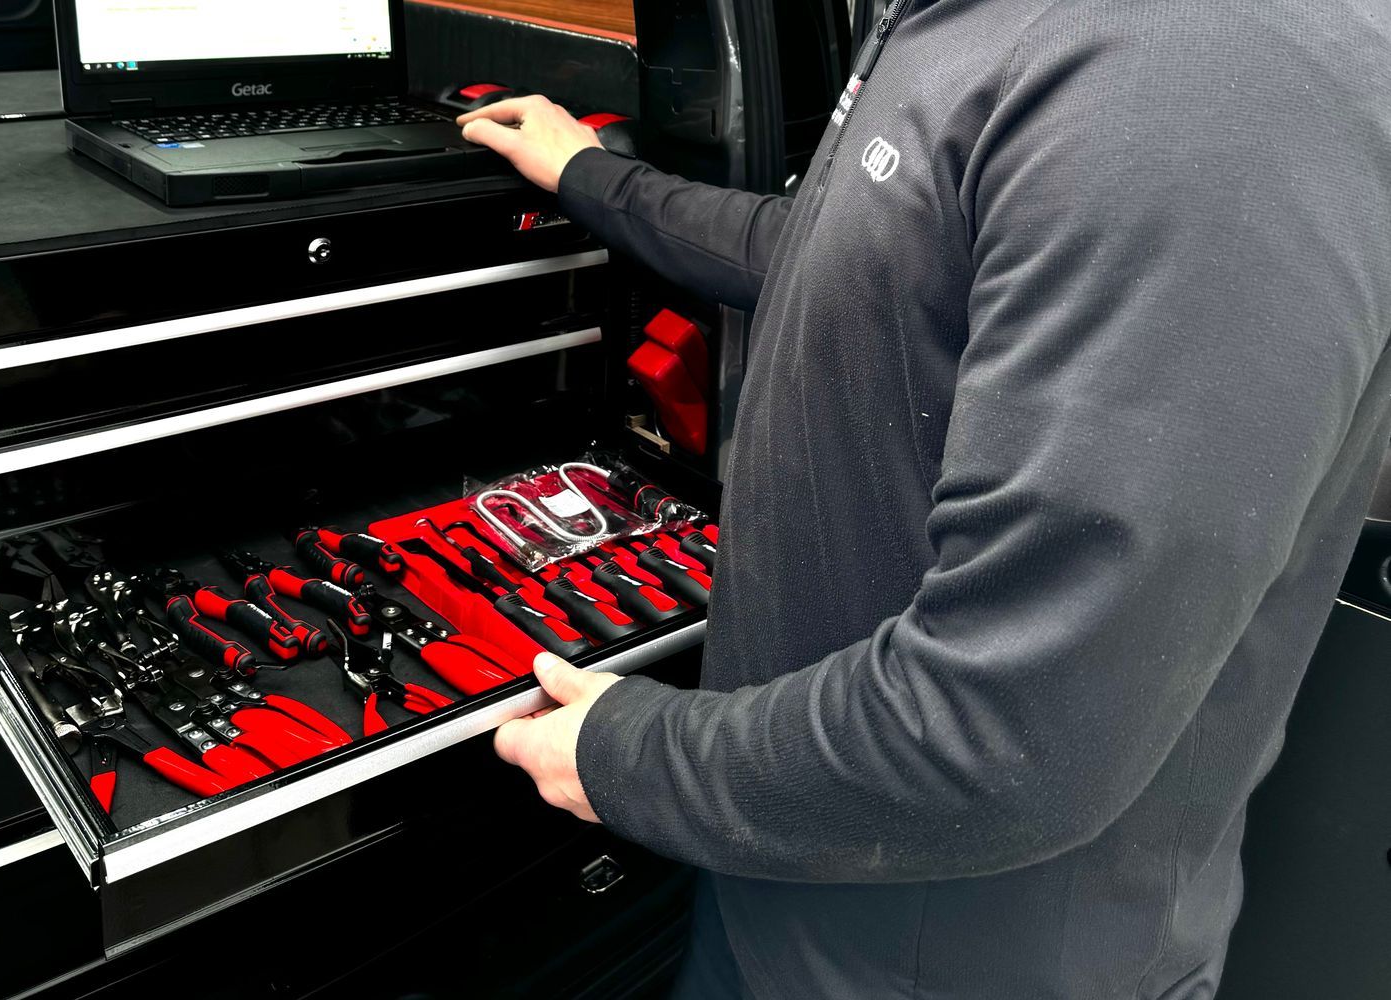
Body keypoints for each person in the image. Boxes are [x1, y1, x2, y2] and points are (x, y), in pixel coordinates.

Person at [458, 1, 1391, 996]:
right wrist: (599, 179)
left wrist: (633, 756)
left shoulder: (1203, 68)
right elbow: (857, 254)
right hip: (791, 891)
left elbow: (1008, 731)